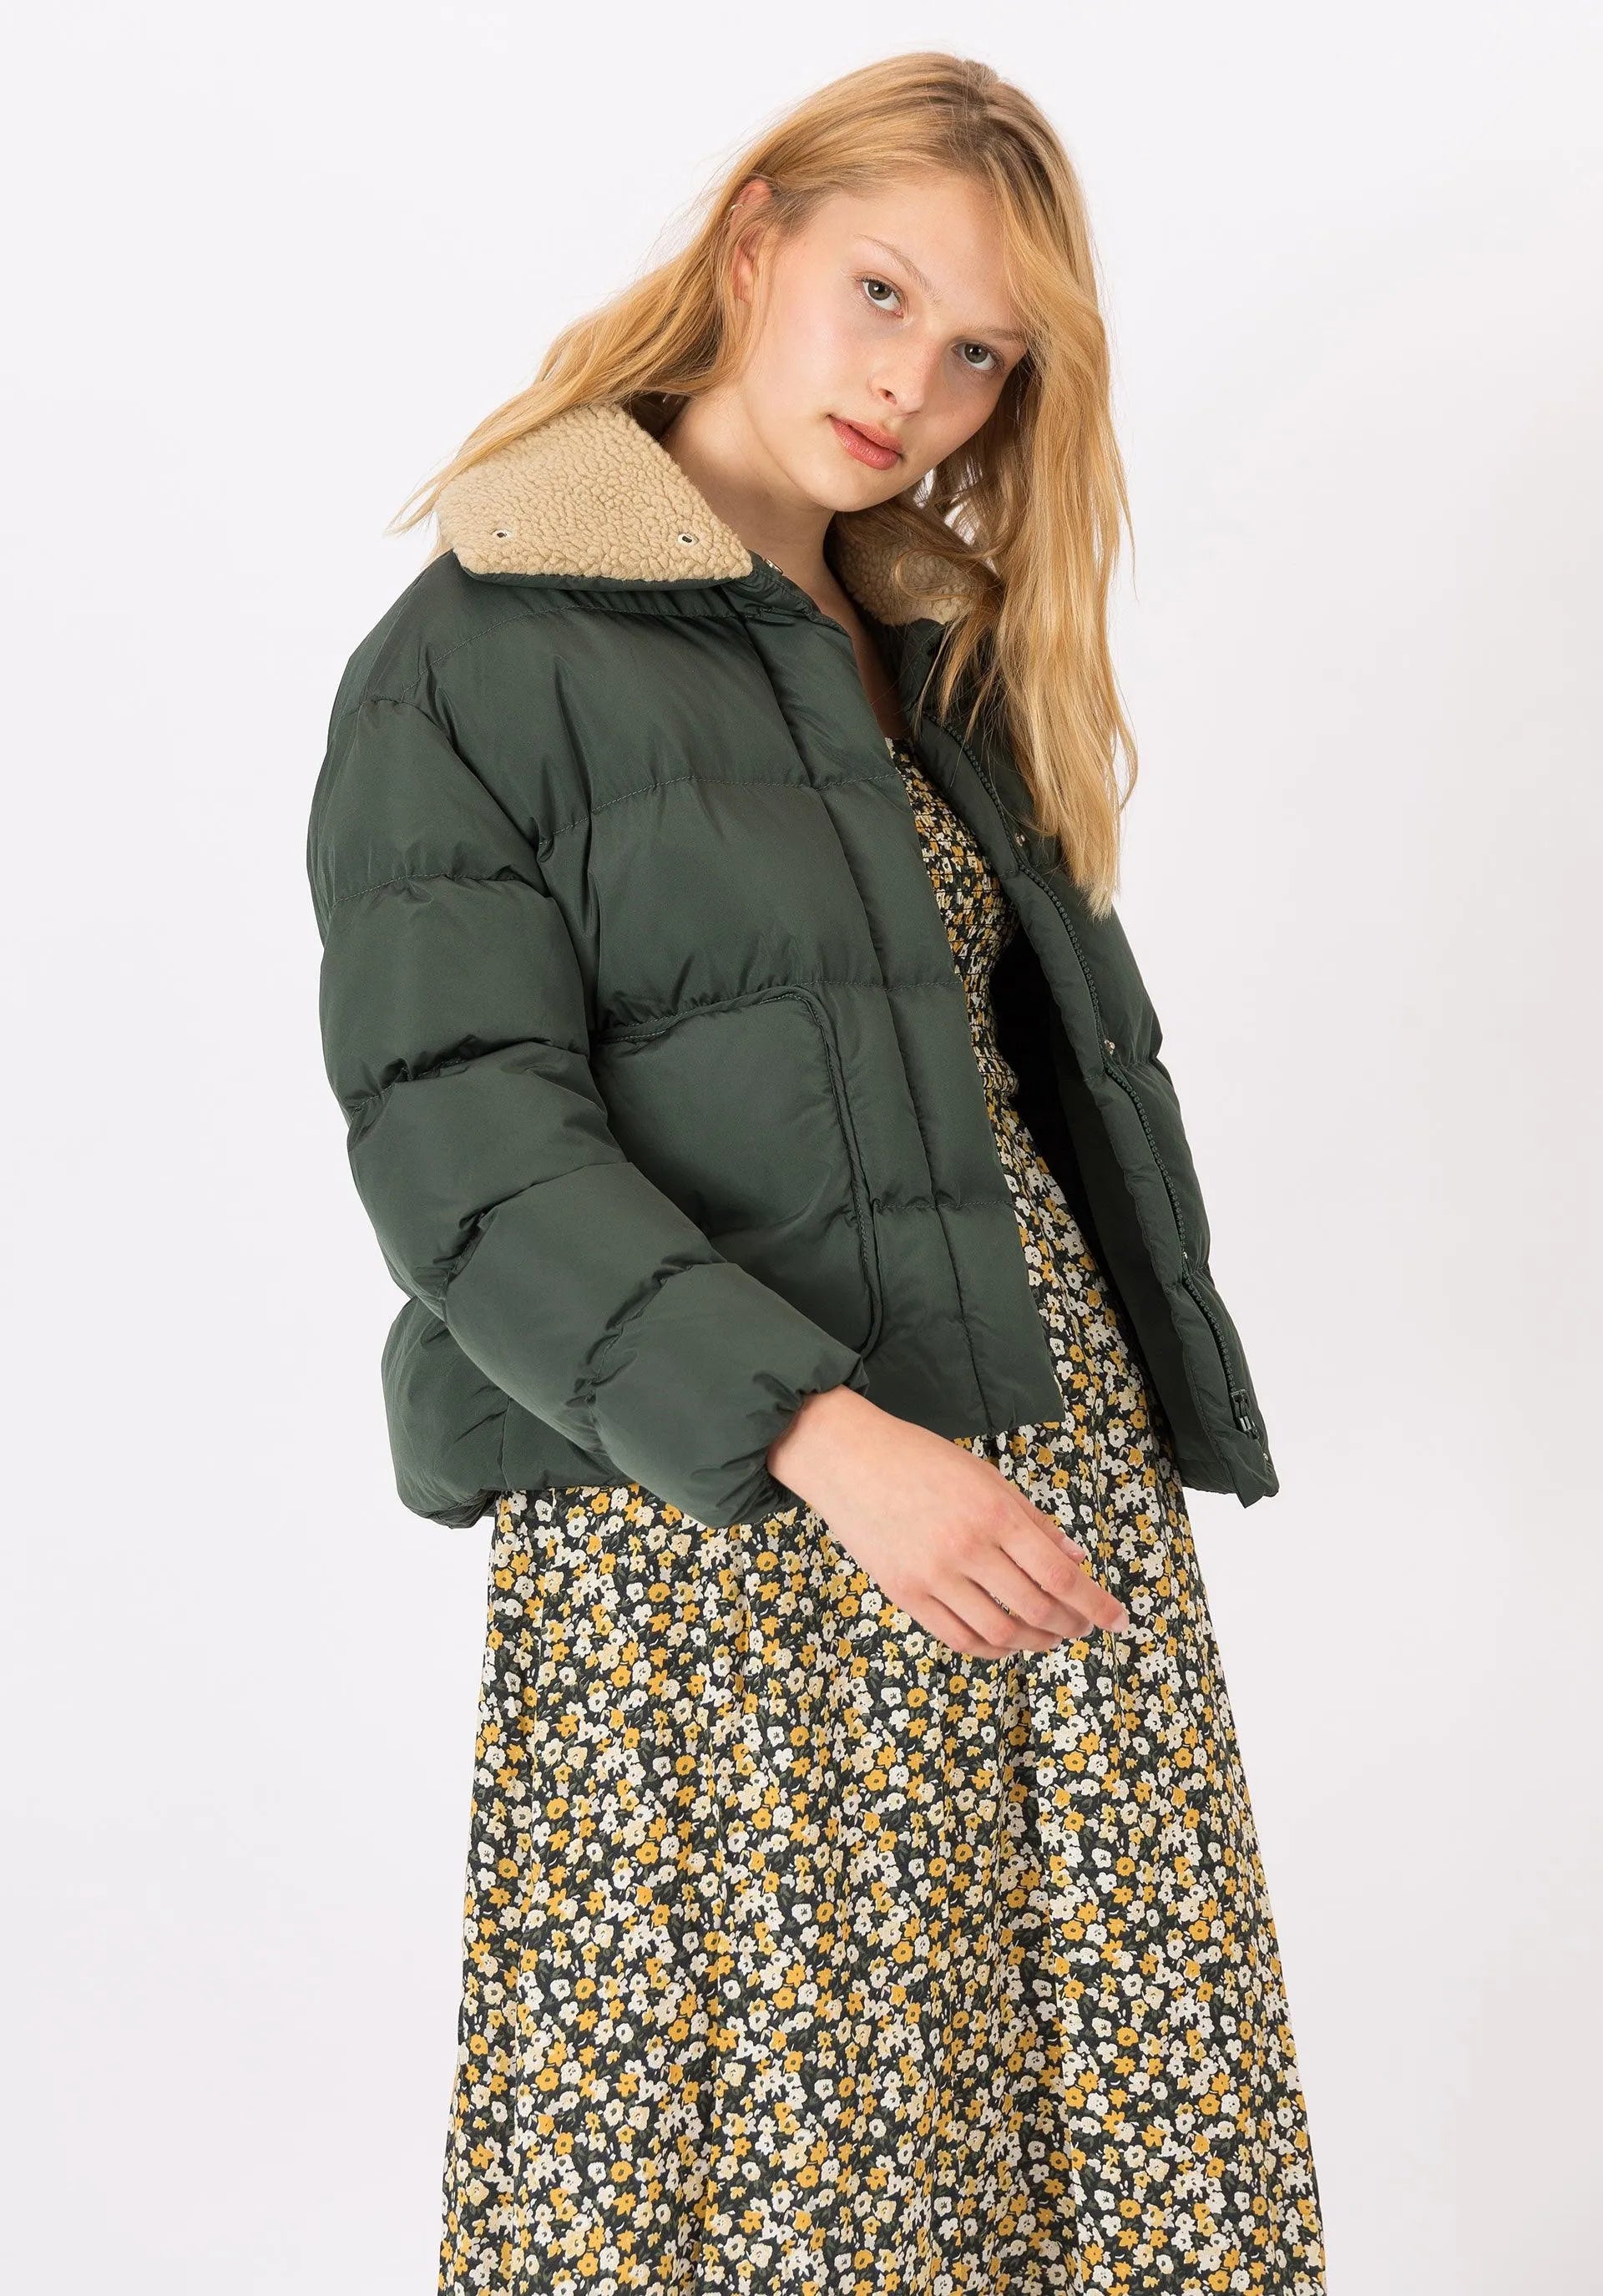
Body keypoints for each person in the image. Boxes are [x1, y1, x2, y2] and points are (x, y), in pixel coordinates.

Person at [306, 49, 1326, 2296]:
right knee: (775, 2172)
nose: (916, 388)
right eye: (882, 293)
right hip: (727, 1532)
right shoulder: (483, 649)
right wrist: (824, 1439)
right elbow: (461, 1147)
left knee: (1100, 2147)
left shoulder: (935, 647)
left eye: (980, 354)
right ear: (754, 237)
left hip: (1042, 1483)